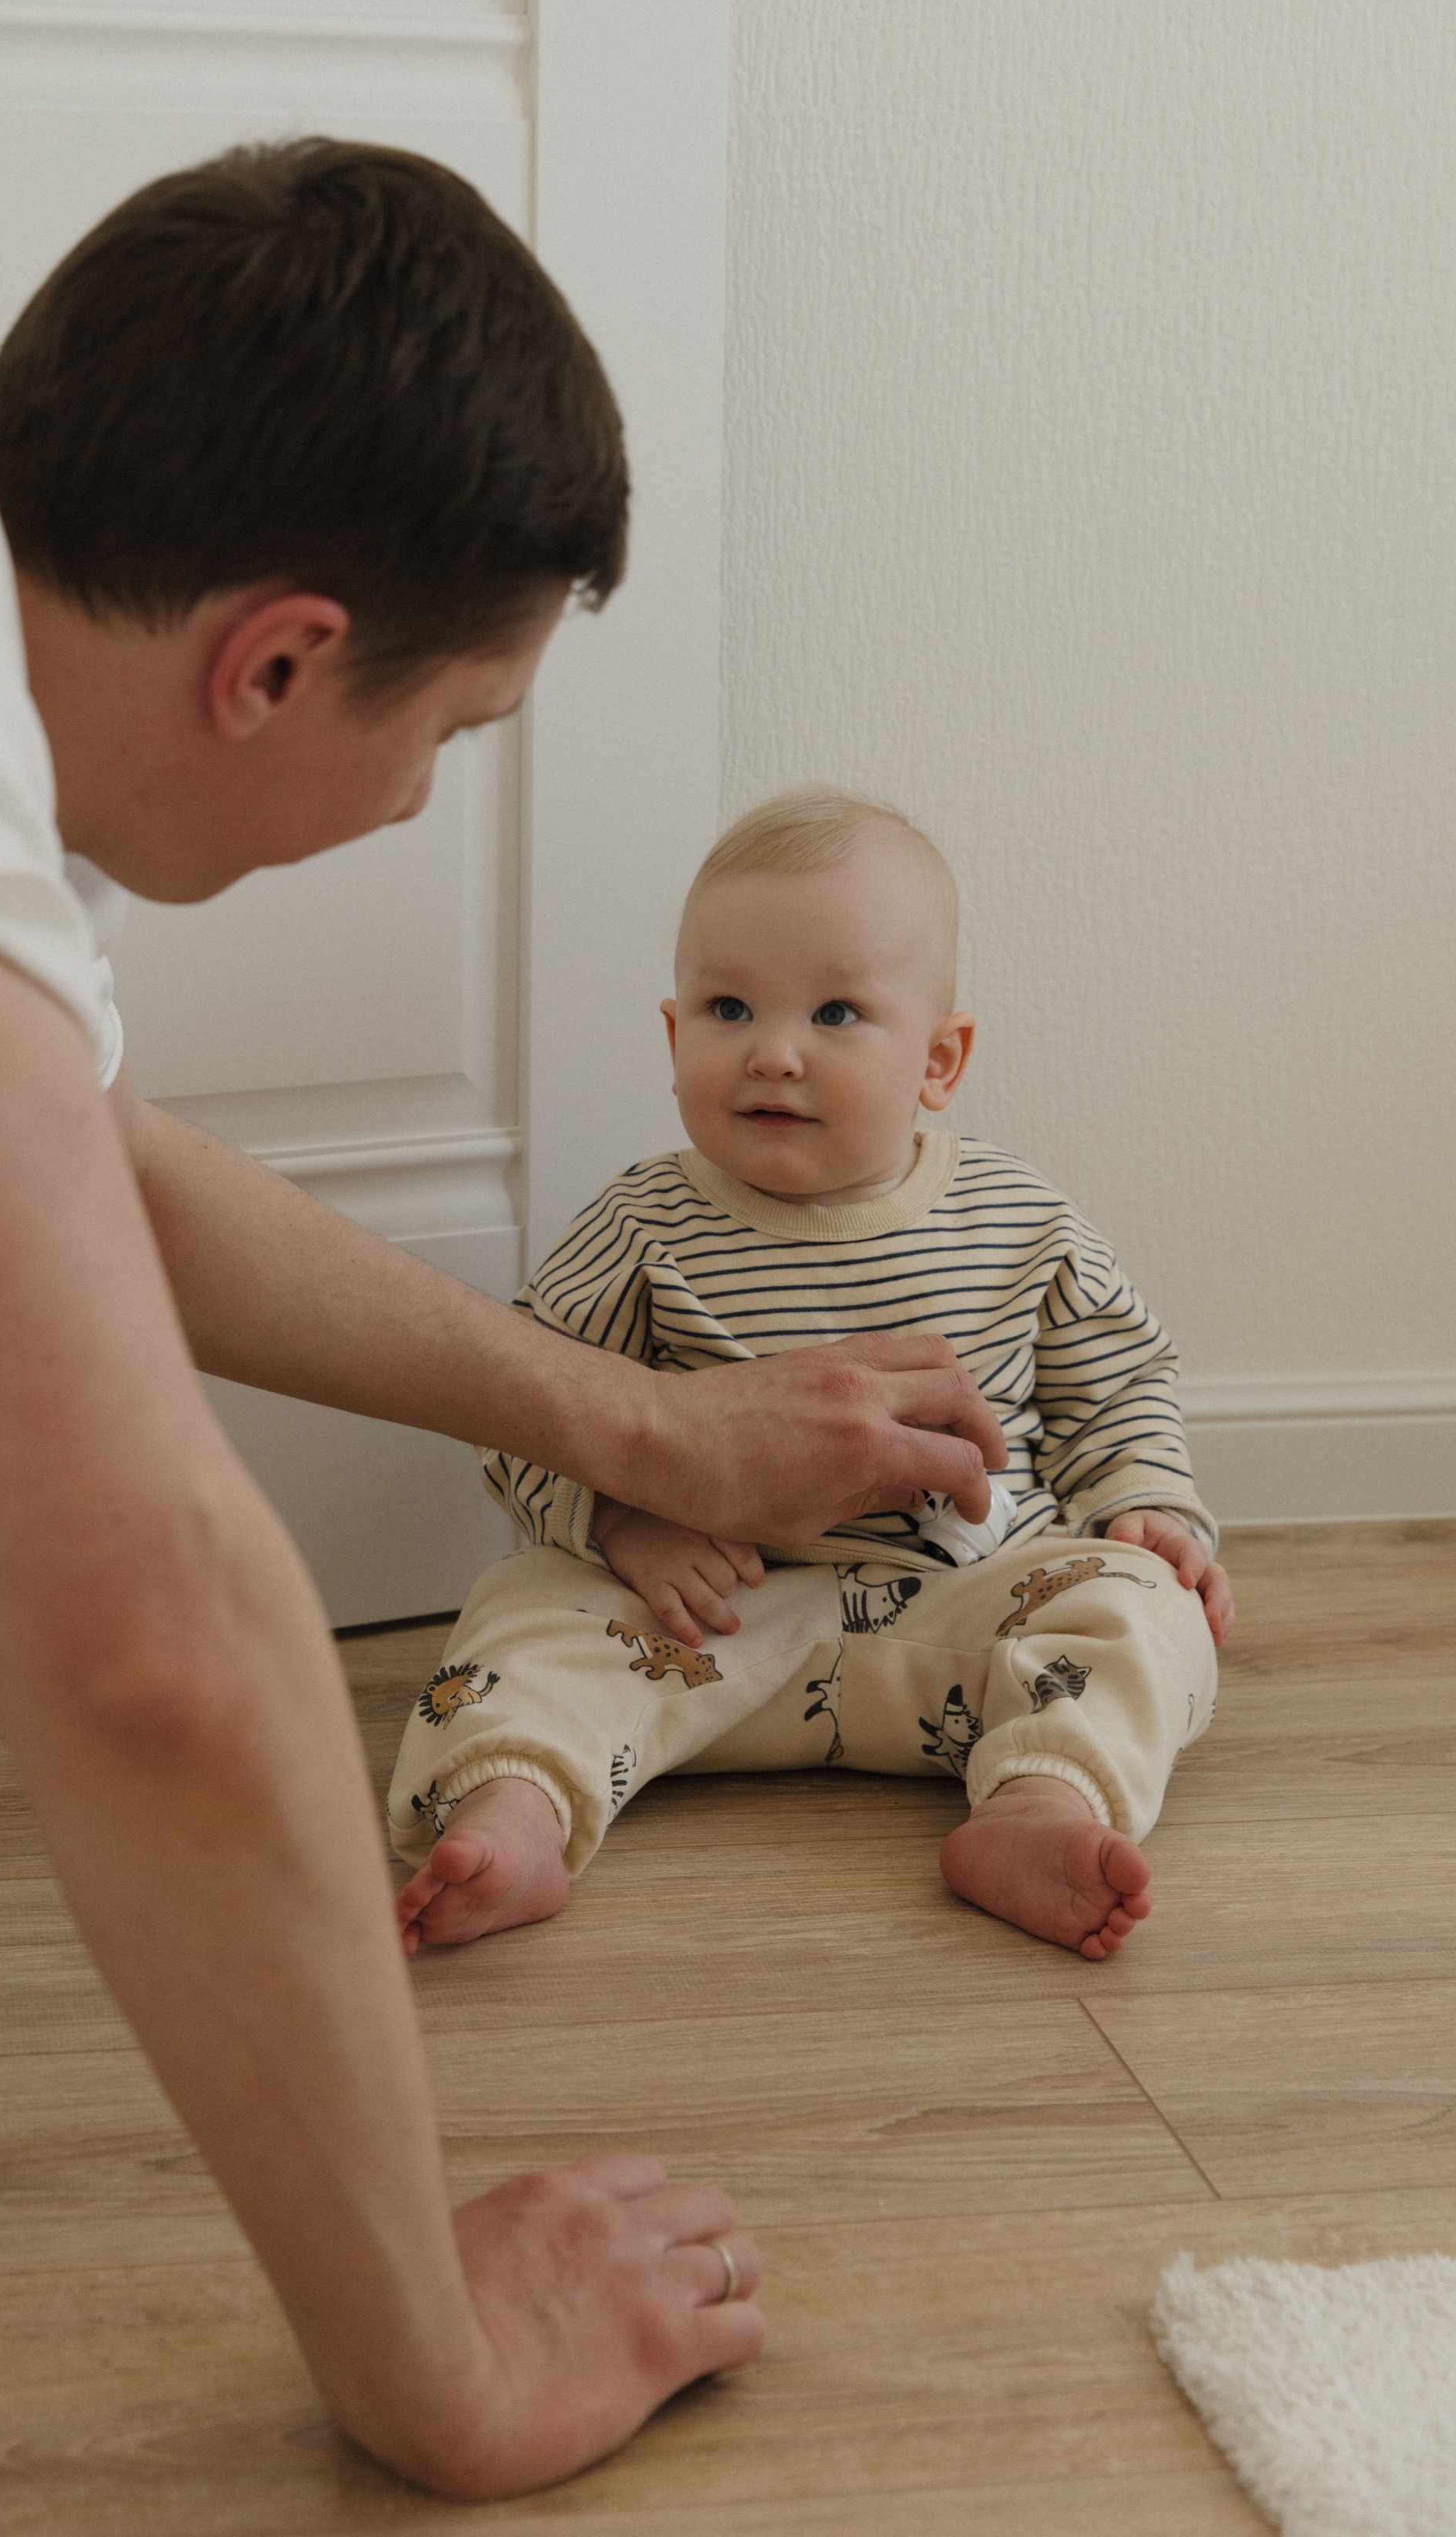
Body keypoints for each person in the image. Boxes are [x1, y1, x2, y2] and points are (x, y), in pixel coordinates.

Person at [0, 149, 1011, 2501]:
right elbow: (139, 1617)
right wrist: (432, 2348)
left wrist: (658, 1427)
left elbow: (82, 1167)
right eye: (446, 733)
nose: (428, 799)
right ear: (271, 659)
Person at [392, 783, 1232, 1969]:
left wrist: (1149, 1502)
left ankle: (1042, 1803)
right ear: (677, 1038)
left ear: (940, 1061)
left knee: (1150, 1608)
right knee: (525, 1611)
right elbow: (521, 1413)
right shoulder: (640, 1225)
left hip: (973, 1608)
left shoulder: (1018, 1219)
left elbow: (1119, 1380)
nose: (774, 1051)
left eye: (837, 1013)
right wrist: (622, 1521)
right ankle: (518, 1811)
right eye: (729, 1007)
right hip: (697, 1623)